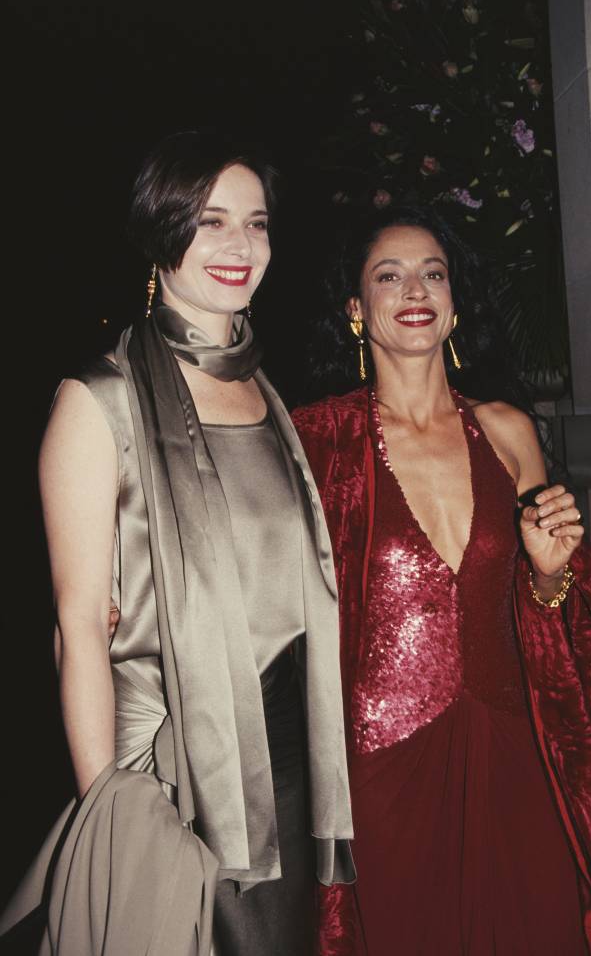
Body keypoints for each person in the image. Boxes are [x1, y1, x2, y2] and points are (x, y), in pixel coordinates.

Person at [0, 131, 354, 956]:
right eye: (211, 221)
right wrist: (110, 817)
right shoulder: (99, 399)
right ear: (163, 233)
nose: (239, 246)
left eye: (256, 223)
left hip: (287, 755)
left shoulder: (265, 394)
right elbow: (79, 624)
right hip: (177, 765)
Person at [292, 205, 591, 955]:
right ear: (357, 311)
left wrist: (551, 577)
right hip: (382, 774)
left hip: (512, 749)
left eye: (433, 273)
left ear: (453, 304)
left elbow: (546, 613)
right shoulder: (313, 442)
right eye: (389, 275)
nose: (414, 288)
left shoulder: (509, 431)